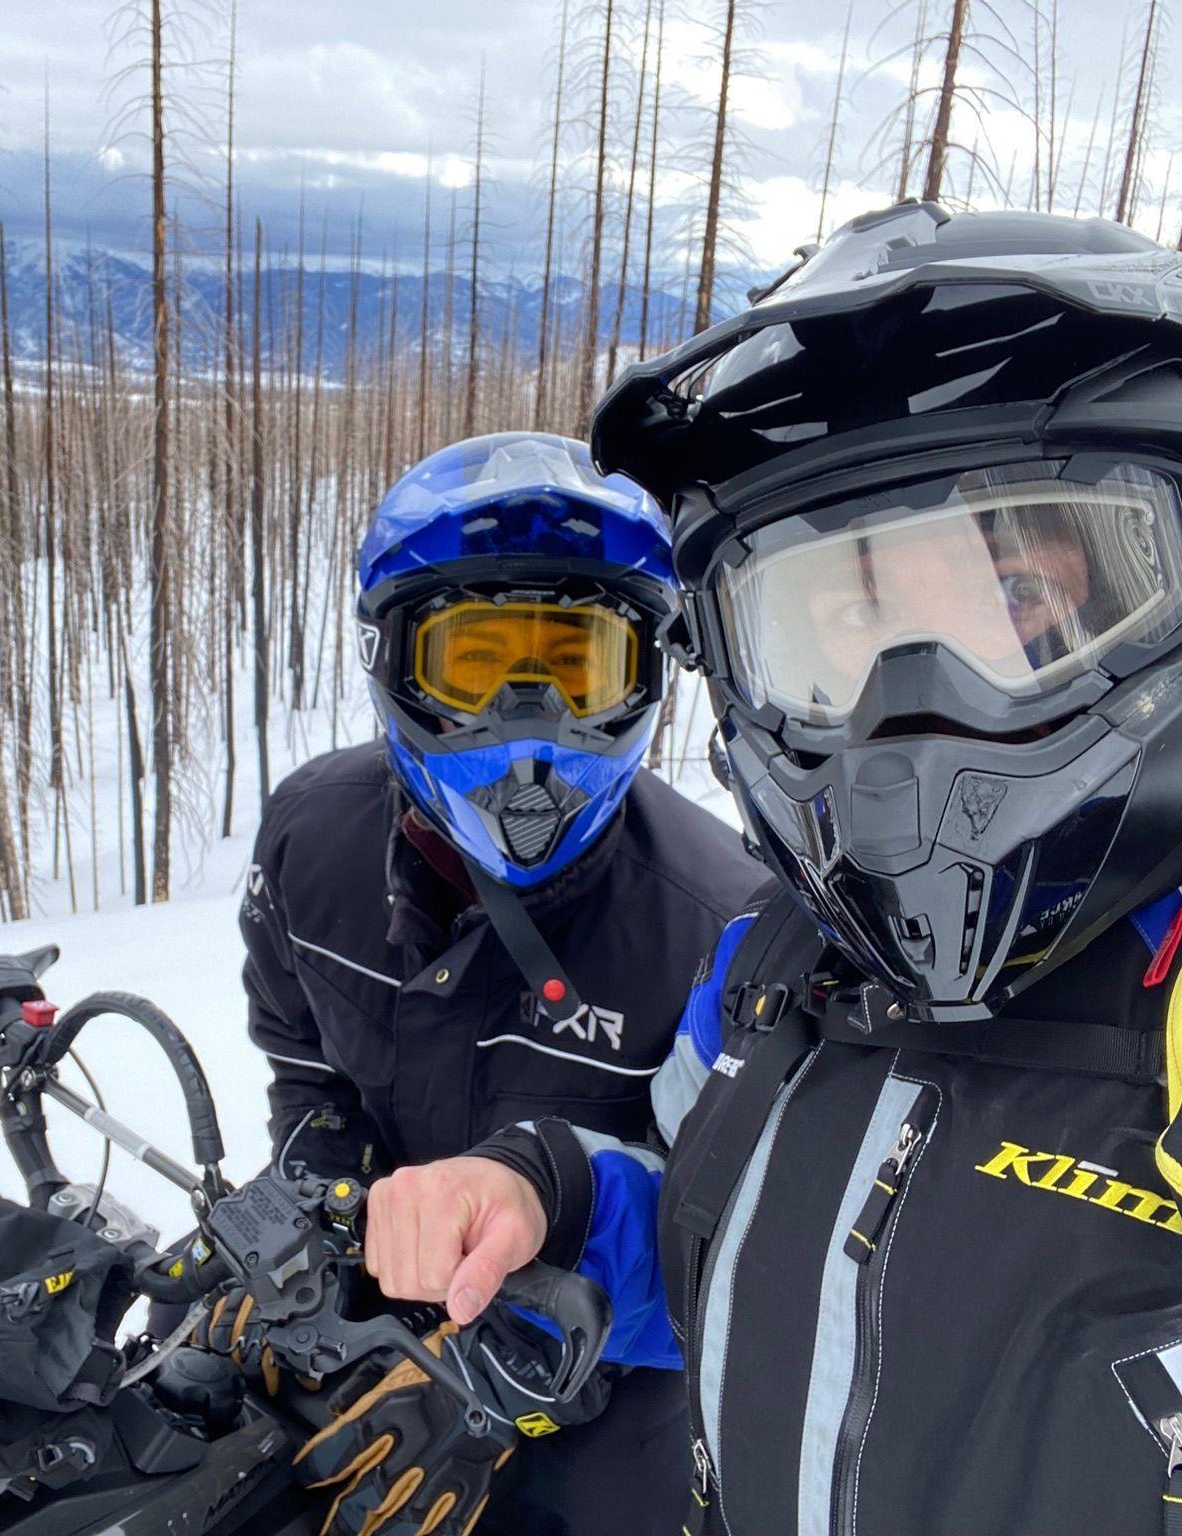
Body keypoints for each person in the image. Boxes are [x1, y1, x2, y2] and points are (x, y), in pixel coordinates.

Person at [350, 205, 1182, 1536]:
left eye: (1021, 605)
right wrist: (543, 1198)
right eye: (840, 619)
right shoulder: (774, 959)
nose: (912, 708)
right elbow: (695, 1222)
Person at [237, 432, 761, 1535]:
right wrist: (316, 1214)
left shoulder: (725, 925)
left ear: (647, 678)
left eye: (577, 666)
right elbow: (301, 1069)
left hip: (607, 1395)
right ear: (395, 664)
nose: (532, 723)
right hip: (369, 1337)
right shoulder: (311, 844)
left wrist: (495, 1373)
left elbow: (735, 1251)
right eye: (475, 665)